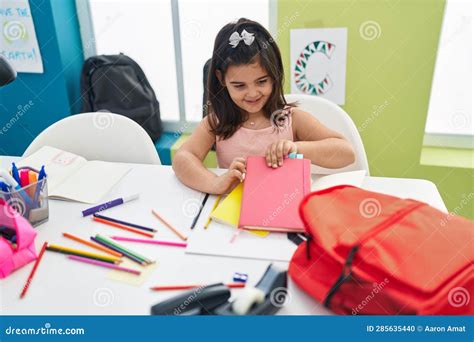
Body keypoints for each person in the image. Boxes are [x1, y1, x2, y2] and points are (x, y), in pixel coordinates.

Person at [173, 18, 355, 194]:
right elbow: (182, 158)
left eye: (261, 81)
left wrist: (297, 148)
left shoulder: (292, 119)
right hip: (234, 214)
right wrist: (215, 182)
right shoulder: (216, 122)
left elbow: (346, 152)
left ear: (274, 75)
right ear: (221, 79)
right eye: (239, 85)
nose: (252, 93)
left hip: (284, 207)